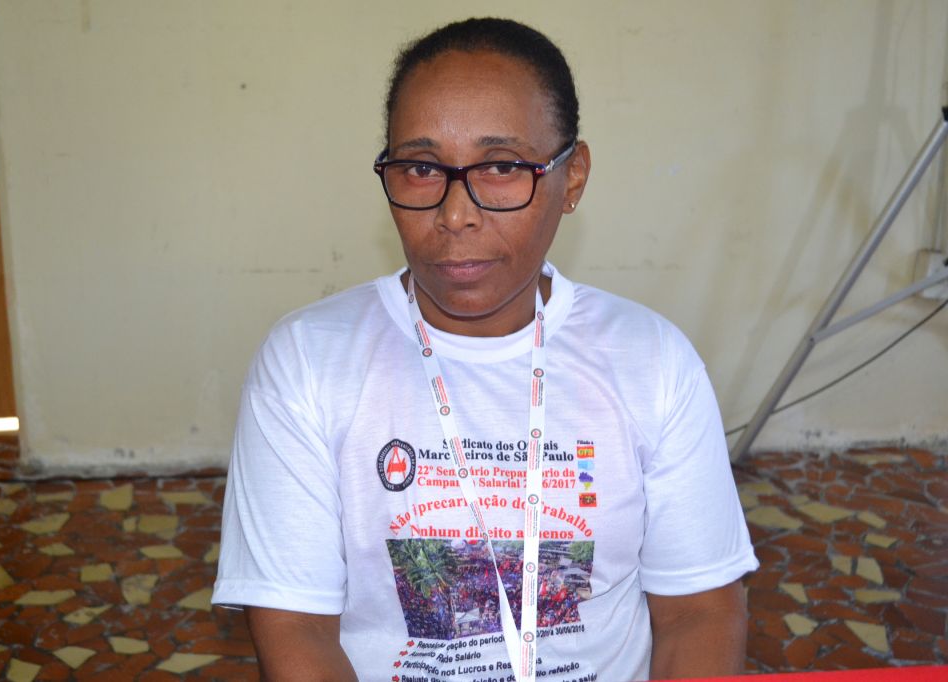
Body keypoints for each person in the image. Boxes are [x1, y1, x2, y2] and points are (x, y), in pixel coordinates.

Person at [212, 17, 758, 681]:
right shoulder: (307, 362)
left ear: (572, 177)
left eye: (501, 167)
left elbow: (700, 613)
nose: (455, 214)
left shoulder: (653, 363)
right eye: (421, 169)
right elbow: (295, 629)